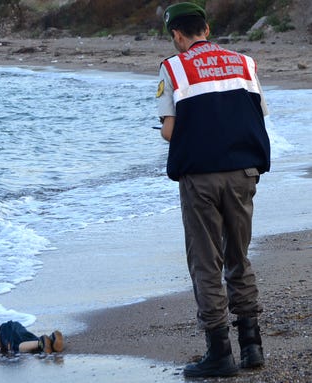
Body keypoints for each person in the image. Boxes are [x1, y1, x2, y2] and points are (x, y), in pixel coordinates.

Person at [156, 2, 270, 378]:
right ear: (206, 27)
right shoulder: (245, 63)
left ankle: (219, 352)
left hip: (201, 178)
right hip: (243, 172)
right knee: (239, 255)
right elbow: (258, 114)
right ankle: (252, 347)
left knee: (206, 262)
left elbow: (170, 131)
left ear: (177, 34)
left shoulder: (173, 67)